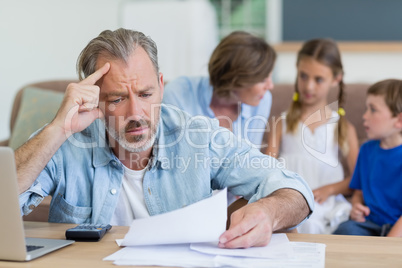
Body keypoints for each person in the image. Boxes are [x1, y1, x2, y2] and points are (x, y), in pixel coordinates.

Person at [16, 28, 313, 249]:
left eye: (146, 94)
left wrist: (268, 213)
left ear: (161, 86)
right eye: (117, 98)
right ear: (94, 99)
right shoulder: (68, 140)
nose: (136, 112)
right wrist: (57, 129)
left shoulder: (198, 136)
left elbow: (295, 189)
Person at [264, 38, 359, 234]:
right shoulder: (281, 123)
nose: (308, 87)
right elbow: (266, 168)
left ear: (336, 79)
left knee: (318, 223)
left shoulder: (343, 128)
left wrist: (329, 189)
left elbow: (358, 178)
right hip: (289, 201)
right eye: (303, 76)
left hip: (325, 205)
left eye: (318, 79)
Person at [162, 31, 276, 150]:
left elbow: (250, 158)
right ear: (236, 78)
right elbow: (175, 158)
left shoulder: (262, 100)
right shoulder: (177, 94)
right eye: (263, 79)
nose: (270, 86)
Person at [334, 79, 402, 237]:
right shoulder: (366, 150)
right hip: (369, 224)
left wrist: (388, 245)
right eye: (366, 108)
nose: (365, 116)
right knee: (344, 230)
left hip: (398, 228)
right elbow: (359, 192)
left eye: (373, 110)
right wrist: (356, 207)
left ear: (399, 120)